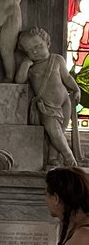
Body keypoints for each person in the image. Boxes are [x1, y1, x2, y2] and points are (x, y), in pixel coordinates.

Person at [16, 27, 80, 167]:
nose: (35, 51)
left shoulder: (57, 59)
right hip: (46, 106)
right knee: (54, 131)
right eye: (30, 50)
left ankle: (53, 158)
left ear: (47, 43)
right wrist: (25, 65)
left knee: (59, 133)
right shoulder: (32, 68)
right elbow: (19, 81)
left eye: (38, 46)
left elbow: (67, 77)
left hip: (64, 102)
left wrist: (76, 89)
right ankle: (69, 156)